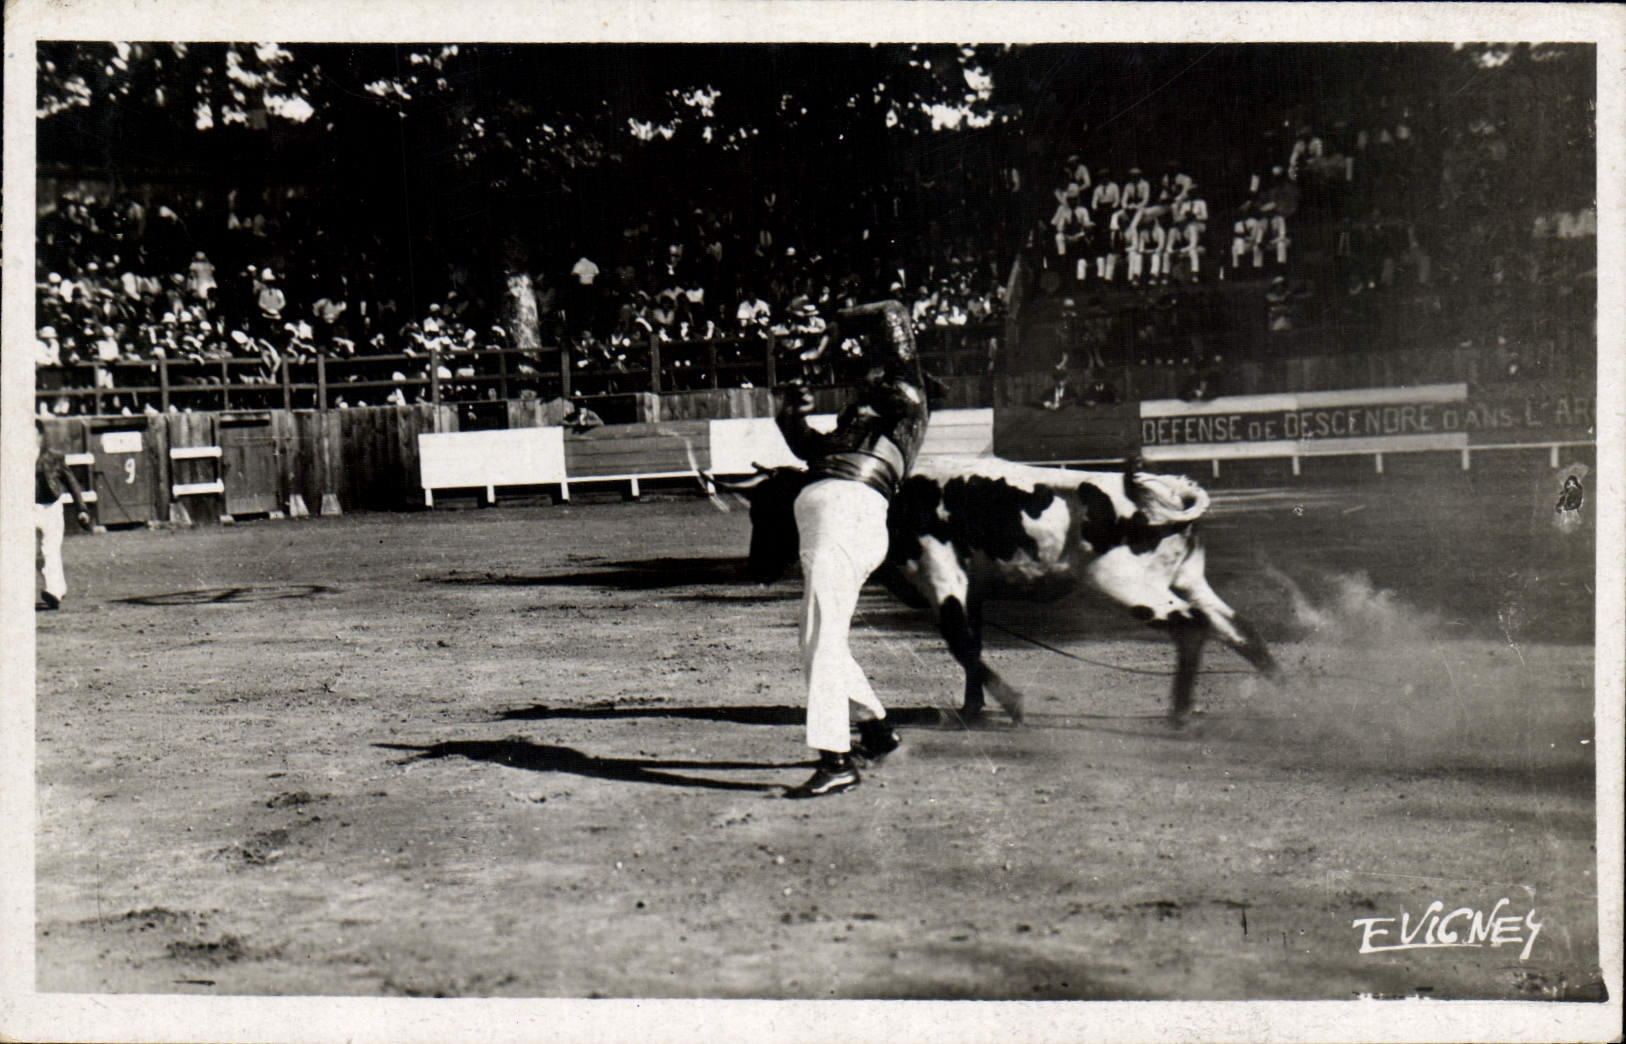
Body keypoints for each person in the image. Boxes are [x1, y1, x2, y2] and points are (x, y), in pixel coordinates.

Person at [775, 300, 928, 798]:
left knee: (819, 636)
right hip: (834, 515)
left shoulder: (904, 395)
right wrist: (791, 419)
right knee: (819, 638)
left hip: (848, 513)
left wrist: (833, 335)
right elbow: (812, 451)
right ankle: (877, 730)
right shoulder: (865, 413)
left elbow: (891, 312)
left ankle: (836, 759)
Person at [35, 420, 92, 610]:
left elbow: (71, 482)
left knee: (49, 550)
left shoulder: (54, 458)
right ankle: (57, 587)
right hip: (27, 509)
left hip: (51, 508)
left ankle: (54, 590)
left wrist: (82, 509)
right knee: (36, 556)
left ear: (41, 436)